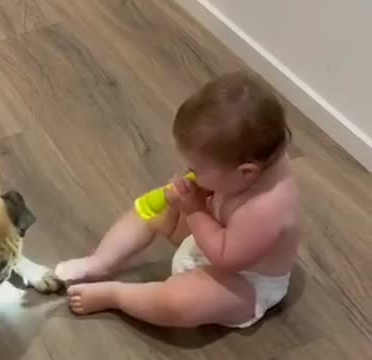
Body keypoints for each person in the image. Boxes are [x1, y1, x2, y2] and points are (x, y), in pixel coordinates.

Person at [54, 71, 301, 328]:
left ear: (246, 171)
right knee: (152, 210)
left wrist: (195, 211)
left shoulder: (266, 208)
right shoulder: (248, 163)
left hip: (243, 281)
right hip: (212, 234)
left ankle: (117, 295)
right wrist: (194, 197)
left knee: (181, 302)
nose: (189, 171)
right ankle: (101, 261)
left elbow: (226, 258)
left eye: (197, 168)